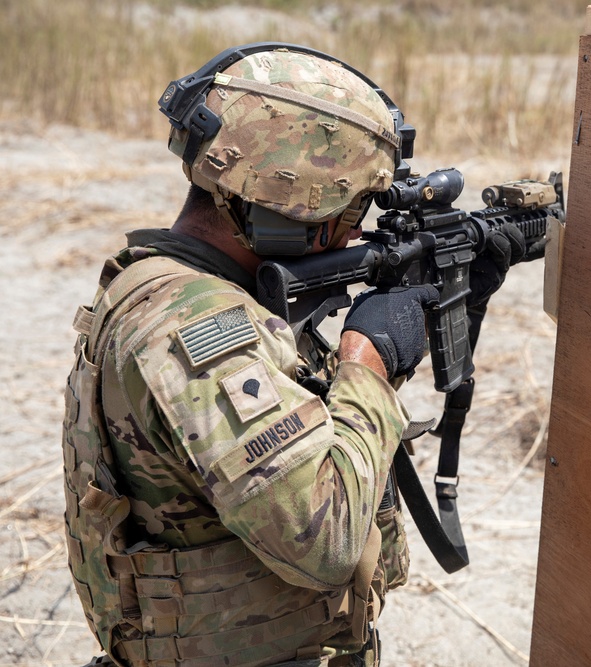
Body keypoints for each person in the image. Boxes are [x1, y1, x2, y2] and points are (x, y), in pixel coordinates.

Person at [62, 43, 516, 667]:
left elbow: (301, 437)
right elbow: (322, 538)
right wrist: (368, 364)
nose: (358, 230)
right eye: (352, 206)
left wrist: (442, 304)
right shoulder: (194, 327)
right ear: (294, 202)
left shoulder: (201, 291)